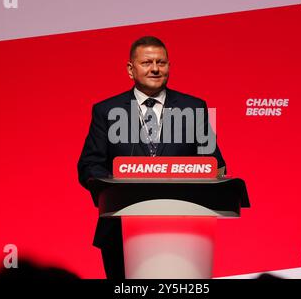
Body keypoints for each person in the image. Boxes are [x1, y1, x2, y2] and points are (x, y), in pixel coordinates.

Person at [77, 36, 226, 279]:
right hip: (120, 228)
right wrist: (120, 184)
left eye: (161, 62)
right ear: (130, 69)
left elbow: (215, 164)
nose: (155, 69)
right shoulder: (105, 110)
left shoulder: (194, 107)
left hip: (184, 231)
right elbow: (88, 166)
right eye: (147, 62)